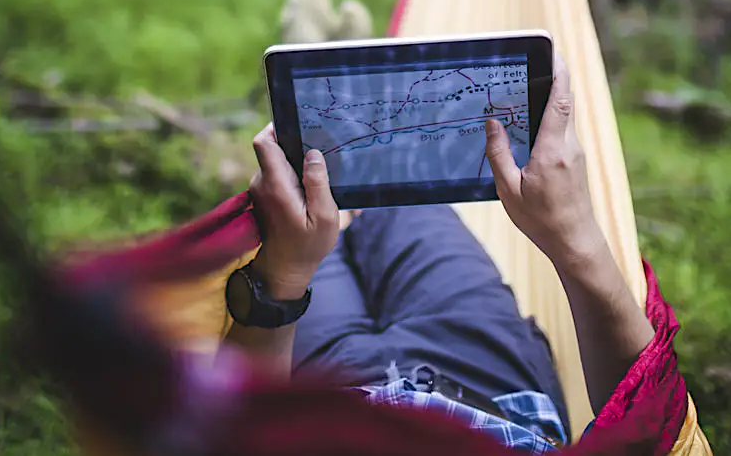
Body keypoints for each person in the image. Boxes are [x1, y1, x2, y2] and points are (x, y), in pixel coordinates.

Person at [221, 59, 656, 452]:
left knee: (296, 207)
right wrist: (575, 236)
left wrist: (284, 274)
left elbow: (231, 436)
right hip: (491, 384)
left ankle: (308, 103)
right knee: (398, 187)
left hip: (329, 408)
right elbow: (656, 433)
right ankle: (326, 91)